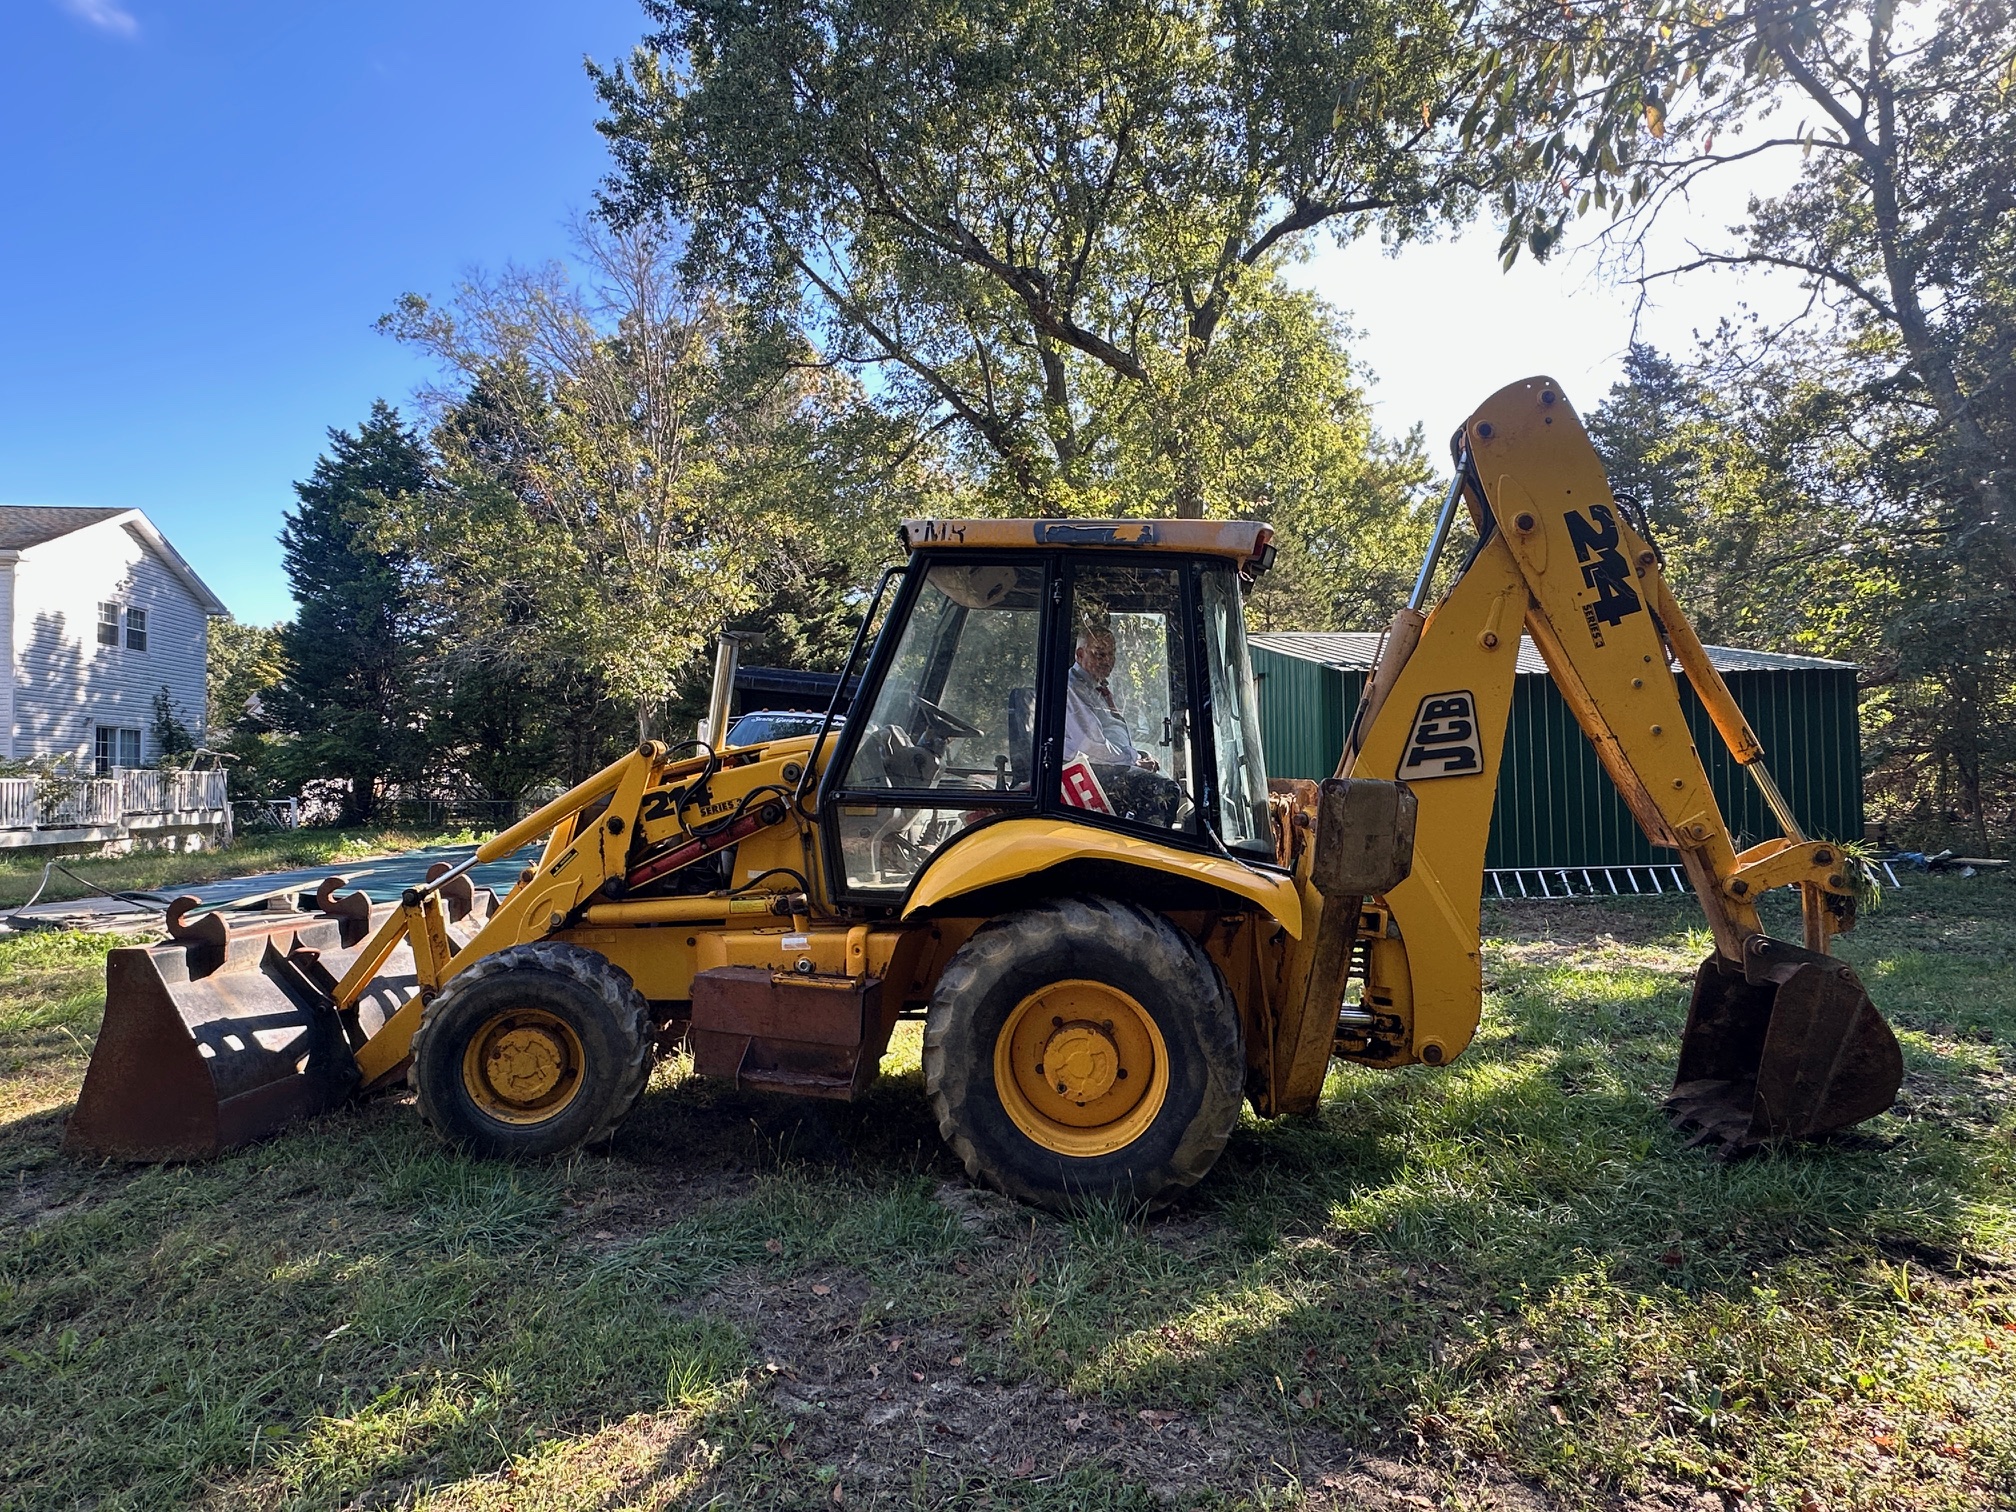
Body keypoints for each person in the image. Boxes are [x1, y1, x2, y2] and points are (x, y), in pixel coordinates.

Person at [1064, 628, 1159, 772]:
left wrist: (1137, 756)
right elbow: (1091, 746)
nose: (1108, 661)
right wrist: (1132, 761)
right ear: (1080, 654)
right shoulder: (1072, 689)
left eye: (1112, 654)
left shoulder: (1096, 688)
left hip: (1113, 763)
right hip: (1095, 770)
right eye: (1100, 654)